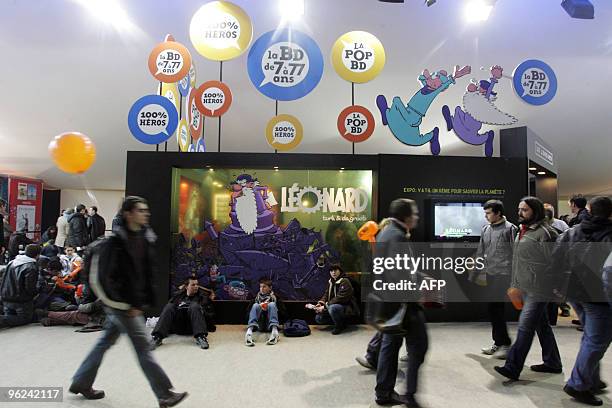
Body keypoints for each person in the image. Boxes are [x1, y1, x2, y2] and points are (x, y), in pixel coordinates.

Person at [70, 196, 188, 407]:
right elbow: (108, 280)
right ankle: (164, 394)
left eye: (146, 210)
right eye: (141, 210)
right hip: (122, 307)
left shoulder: (144, 237)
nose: (146, 214)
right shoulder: (115, 243)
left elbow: (144, 273)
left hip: (132, 305)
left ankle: (81, 381)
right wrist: (127, 306)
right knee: (143, 348)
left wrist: (144, 300)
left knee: (104, 342)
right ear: (128, 214)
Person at [550, 196, 612, 406]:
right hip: (598, 295)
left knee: (592, 336)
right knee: (598, 339)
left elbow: (556, 256)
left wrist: (557, 285)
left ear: (590, 210)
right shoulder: (608, 233)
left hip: (574, 291)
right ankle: (578, 384)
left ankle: (591, 379)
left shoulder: (574, 230)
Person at [494, 196, 562, 381]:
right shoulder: (521, 232)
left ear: (535, 211)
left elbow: (556, 264)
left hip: (539, 289)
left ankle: (512, 367)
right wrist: (514, 284)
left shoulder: (547, 233)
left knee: (525, 327)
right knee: (542, 326)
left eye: (524, 210)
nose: (519, 213)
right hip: (524, 286)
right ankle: (553, 363)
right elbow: (519, 262)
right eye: (519, 209)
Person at [369, 199, 428, 408]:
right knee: (419, 347)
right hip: (402, 304)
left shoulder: (387, 232)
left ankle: (384, 392)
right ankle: (408, 395)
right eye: (415, 212)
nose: (417, 217)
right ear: (406, 216)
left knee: (390, 346)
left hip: (389, 302)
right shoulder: (397, 236)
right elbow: (397, 274)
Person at [475, 200, 517, 359]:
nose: (486, 216)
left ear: (498, 213)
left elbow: (516, 253)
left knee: (496, 309)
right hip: (490, 274)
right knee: (494, 309)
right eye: (485, 213)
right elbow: (481, 252)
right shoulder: (485, 229)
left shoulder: (510, 229)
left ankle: (505, 343)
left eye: (489, 213)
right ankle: (499, 342)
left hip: (505, 274)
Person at [151, 277, 215, 350]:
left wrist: (199, 309)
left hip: (193, 327)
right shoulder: (177, 296)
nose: (196, 286)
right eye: (193, 285)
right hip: (178, 326)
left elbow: (209, 315)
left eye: (197, 284)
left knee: (194, 306)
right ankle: (157, 337)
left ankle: (201, 337)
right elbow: (168, 312)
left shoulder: (202, 297)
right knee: (169, 306)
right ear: (186, 287)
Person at [311, 264, 359, 335]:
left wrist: (325, 306)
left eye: (335, 270)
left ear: (340, 271)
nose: (333, 272)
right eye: (331, 271)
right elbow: (326, 294)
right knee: (319, 318)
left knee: (333, 308)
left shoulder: (345, 281)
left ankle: (339, 326)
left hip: (346, 307)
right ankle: (341, 322)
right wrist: (321, 303)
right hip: (333, 306)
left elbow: (340, 297)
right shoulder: (331, 281)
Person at [0, 244, 41, 328]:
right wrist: (38, 290)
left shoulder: (13, 262)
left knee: (9, 317)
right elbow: (30, 288)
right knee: (25, 319)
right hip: (20, 300)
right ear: (37, 255)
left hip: (6, 296)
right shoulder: (31, 267)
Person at [245, 278, 282, 346]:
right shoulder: (255, 299)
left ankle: (275, 332)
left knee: (272, 305)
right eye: (260, 286)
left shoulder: (275, 298)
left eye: (264, 287)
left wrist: (270, 309)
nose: (261, 289)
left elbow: (284, 315)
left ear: (270, 288)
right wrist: (260, 308)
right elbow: (247, 316)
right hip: (258, 325)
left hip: (270, 325)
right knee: (256, 305)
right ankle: (249, 333)